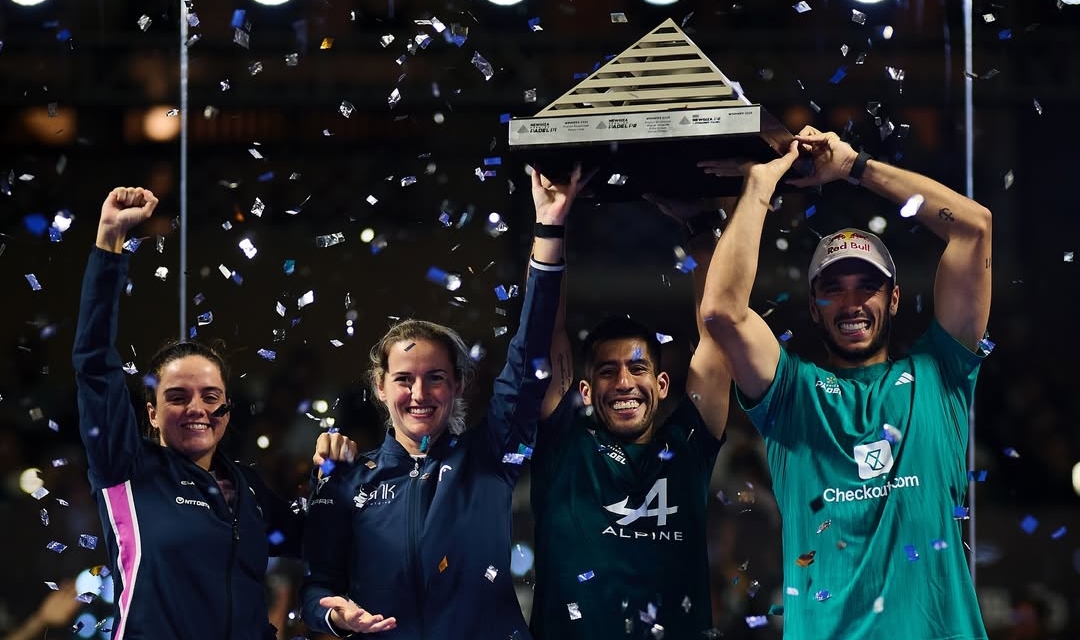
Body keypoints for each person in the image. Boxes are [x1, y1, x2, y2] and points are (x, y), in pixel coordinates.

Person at [700, 127, 992, 639]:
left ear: (893, 299)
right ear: (814, 307)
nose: (852, 303)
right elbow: (722, 312)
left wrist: (854, 167)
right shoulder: (791, 395)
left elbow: (974, 227)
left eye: (868, 286)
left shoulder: (939, 375)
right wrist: (759, 187)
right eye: (833, 289)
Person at [300, 165, 585, 639]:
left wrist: (549, 227)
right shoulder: (346, 476)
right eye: (403, 379)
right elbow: (316, 587)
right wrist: (335, 617)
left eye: (435, 378)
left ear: (458, 384)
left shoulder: (491, 455)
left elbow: (530, 349)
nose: (419, 394)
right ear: (380, 386)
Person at [73, 187, 310, 640]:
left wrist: (340, 477)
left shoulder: (248, 488)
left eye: (210, 395)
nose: (197, 408)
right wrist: (109, 243)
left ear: (227, 409)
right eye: (178, 397)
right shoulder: (127, 467)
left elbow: (321, 541)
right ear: (152, 413)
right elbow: (94, 364)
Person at [527, 194, 734, 639]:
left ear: (662, 384)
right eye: (607, 371)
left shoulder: (688, 445)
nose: (624, 382)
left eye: (638, 369)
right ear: (585, 390)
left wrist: (701, 227)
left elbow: (719, 335)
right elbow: (545, 331)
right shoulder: (564, 446)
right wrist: (551, 222)